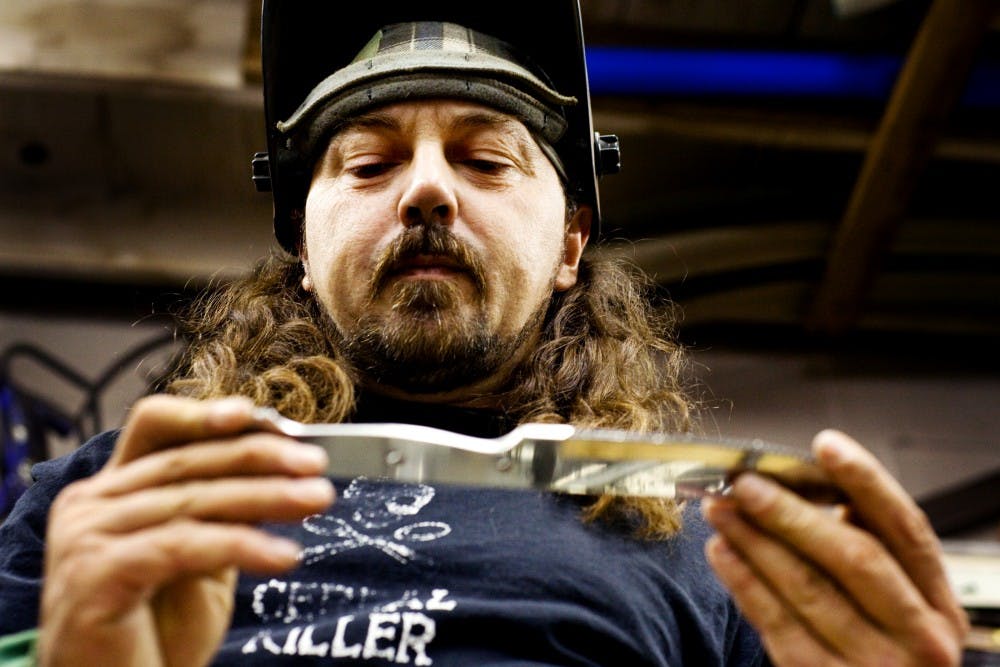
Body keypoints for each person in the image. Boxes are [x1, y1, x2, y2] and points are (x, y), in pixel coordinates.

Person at [0, 2, 968, 665]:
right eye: (370, 163)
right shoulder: (107, 498)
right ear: (301, 244)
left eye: (486, 159)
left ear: (569, 245)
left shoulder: (718, 545)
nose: (426, 188)